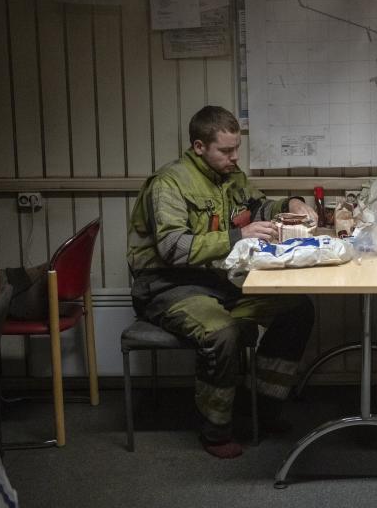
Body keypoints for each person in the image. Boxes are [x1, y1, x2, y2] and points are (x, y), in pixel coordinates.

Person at [127, 105, 317, 459]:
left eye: (236, 150)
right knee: (221, 332)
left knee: (298, 309)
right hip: (168, 286)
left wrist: (291, 203)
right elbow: (172, 248)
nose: (234, 158)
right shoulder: (169, 182)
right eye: (226, 151)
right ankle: (216, 430)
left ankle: (262, 407)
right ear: (199, 146)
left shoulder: (231, 176)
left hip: (216, 280)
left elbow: (258, 207)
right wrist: (237, 236)